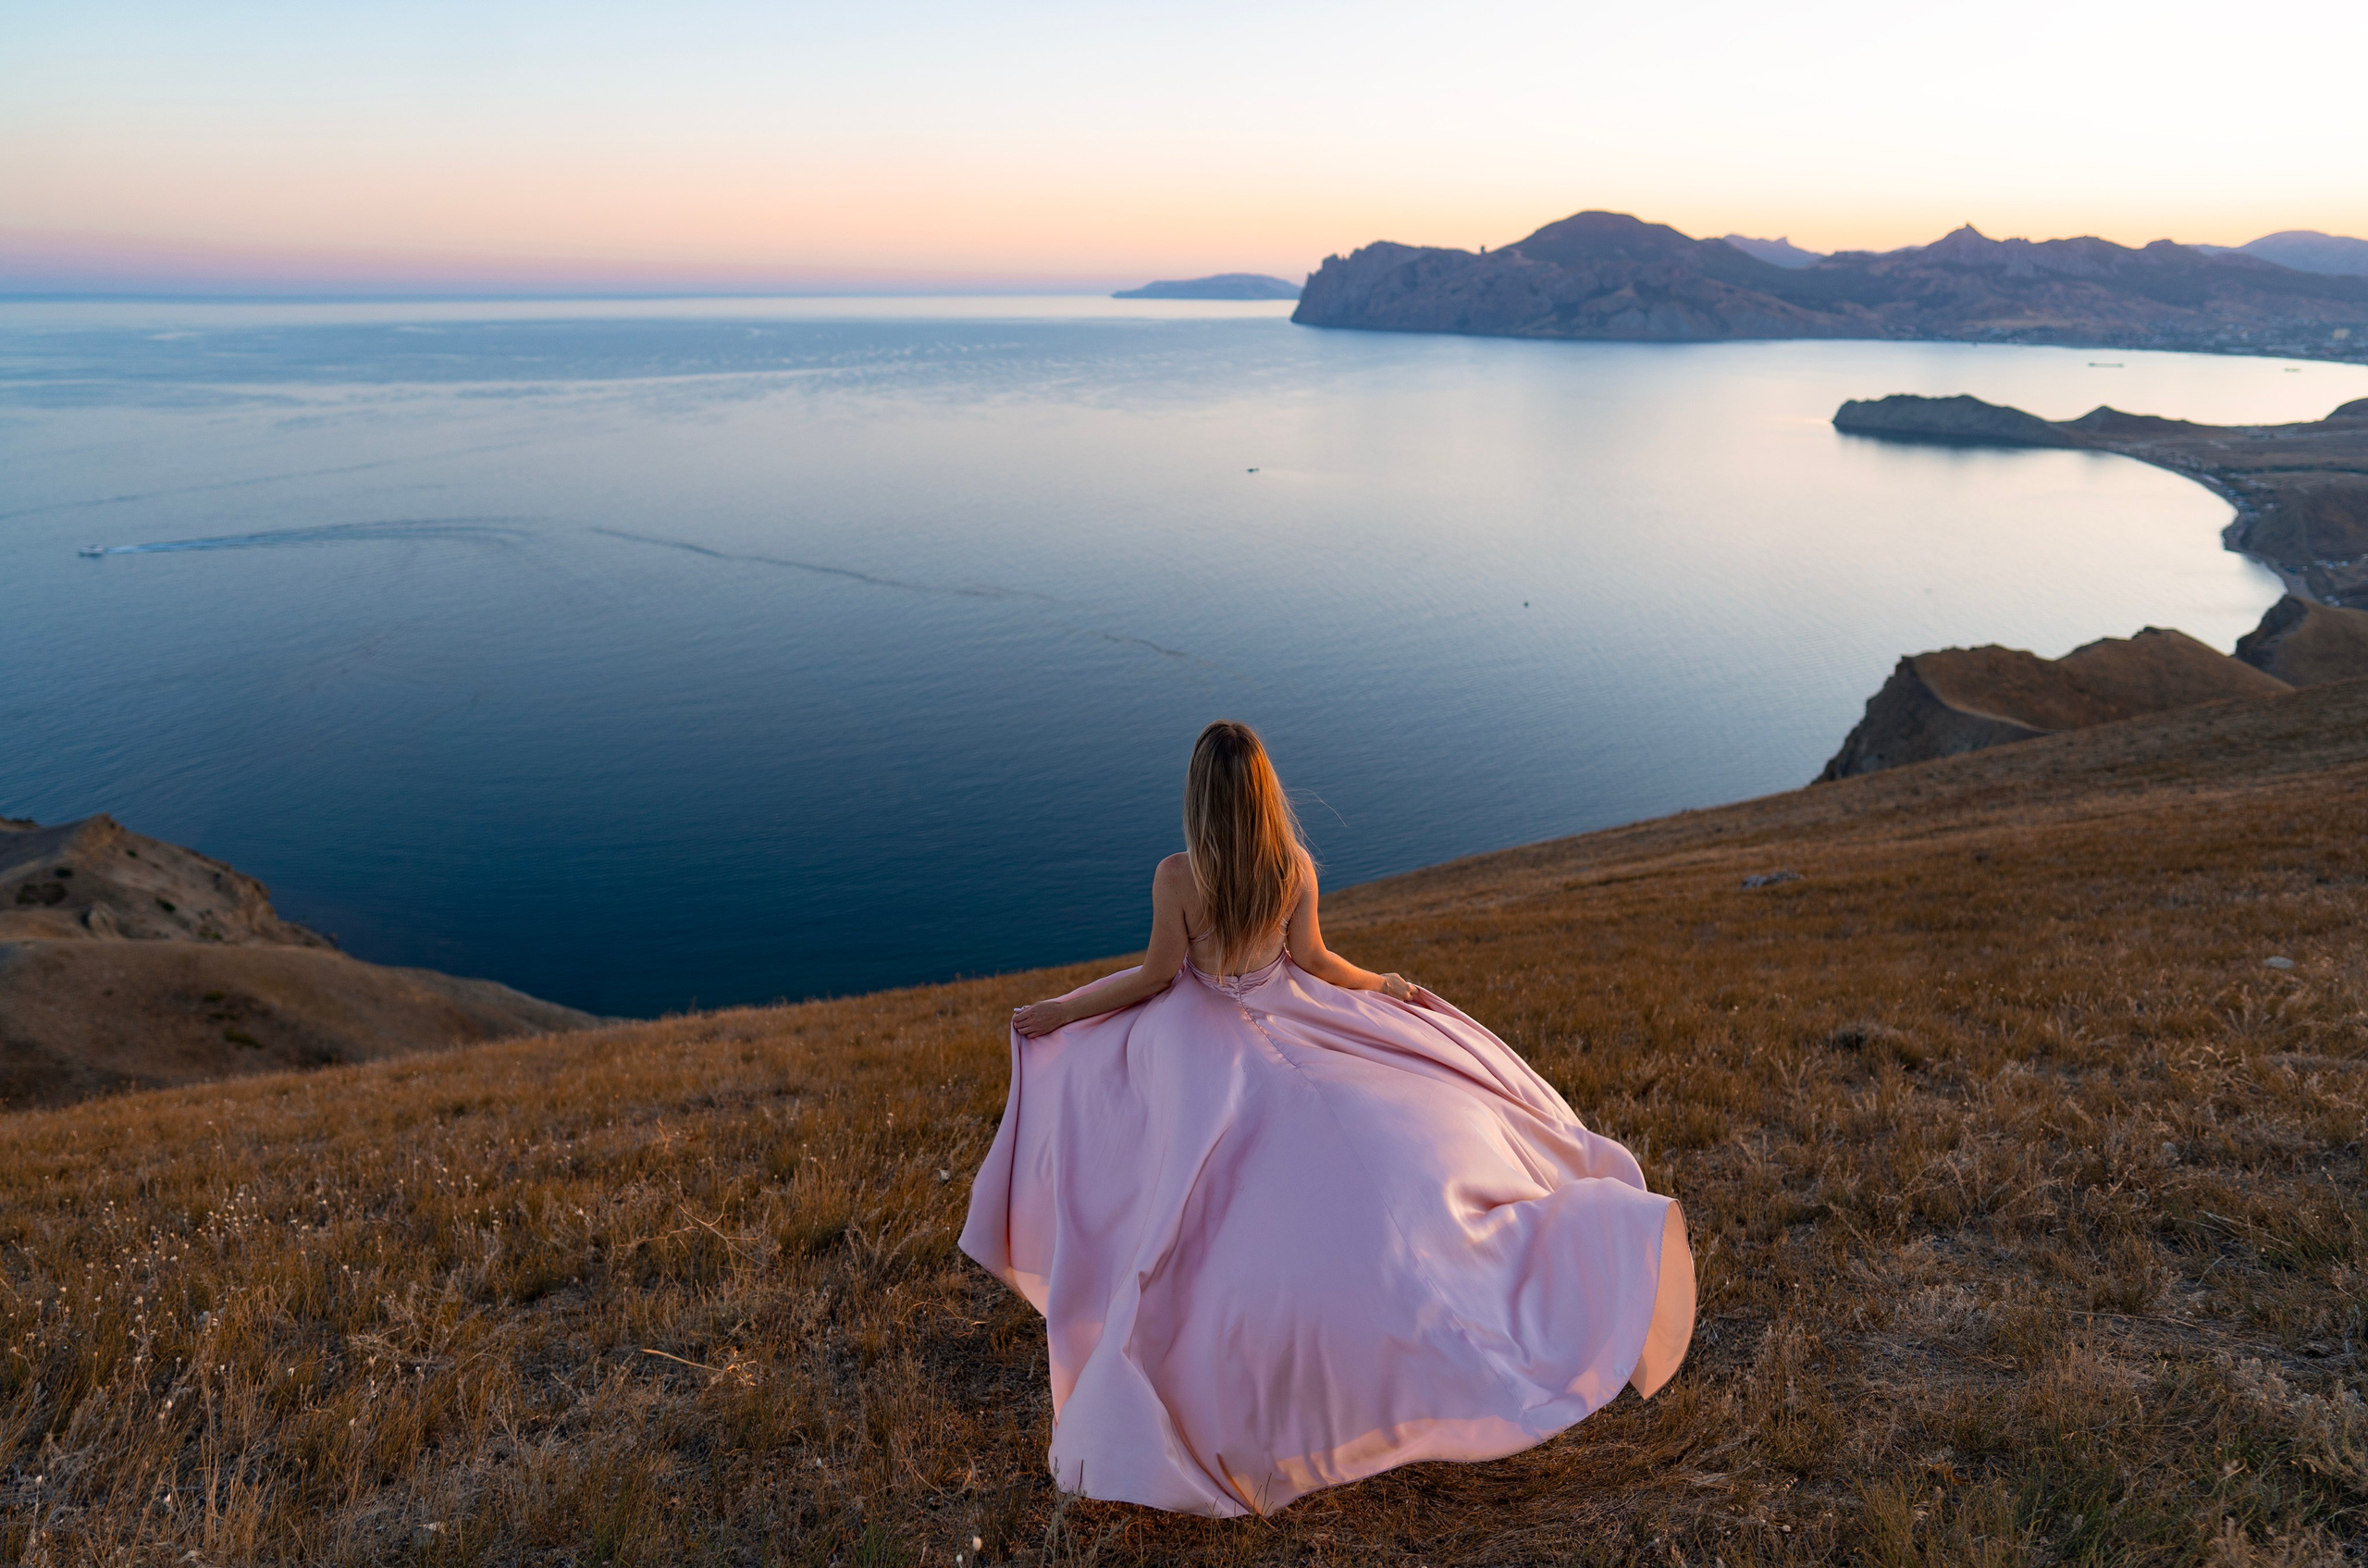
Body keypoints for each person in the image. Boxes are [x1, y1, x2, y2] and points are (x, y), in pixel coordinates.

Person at [959, 721, 1694, 1517]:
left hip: (1196, 1029)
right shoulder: (1291, 866)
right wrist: (1374, 983)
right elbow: (1312, 962)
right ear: (1267, 794)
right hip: (1289, 1011)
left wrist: (1063, 1012)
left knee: (1165, 1156)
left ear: (1200, 798)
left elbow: (1155, 976)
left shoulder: (1178, 876)